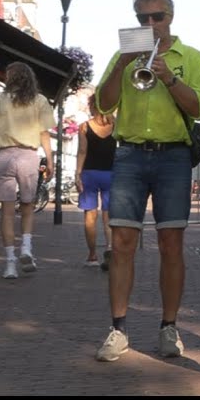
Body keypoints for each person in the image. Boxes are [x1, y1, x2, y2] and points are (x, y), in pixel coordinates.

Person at [93, 0, 200, 362]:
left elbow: (199, 109)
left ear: (170, 16)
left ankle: (168, 328)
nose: (150, 23)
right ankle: (118, 329)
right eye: (142, 17)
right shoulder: (123, 55)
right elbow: (103, 104)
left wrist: (170, 78)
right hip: (128, 155)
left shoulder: (190, 57)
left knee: (171, 245)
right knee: (122, 243)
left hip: (173, 157)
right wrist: (123, 63)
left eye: (156, 16)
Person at [0, 62, 56, 280]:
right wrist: (50, 161)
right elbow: (44, 134)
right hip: (29, 156)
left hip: (5, 156)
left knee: (7, 213)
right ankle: (27, 248)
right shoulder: (40, 101)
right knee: (28, 206)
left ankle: (10, 265)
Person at [74, 93, 116, 270]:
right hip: (111, 173)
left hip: (90, 173)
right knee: (109, 216)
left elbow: (82, 151)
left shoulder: (84, 127)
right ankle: (110, 247)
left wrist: (77, 173)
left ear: (92, 105)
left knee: (90, 216)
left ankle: (92, 256)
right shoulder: (116, 125)